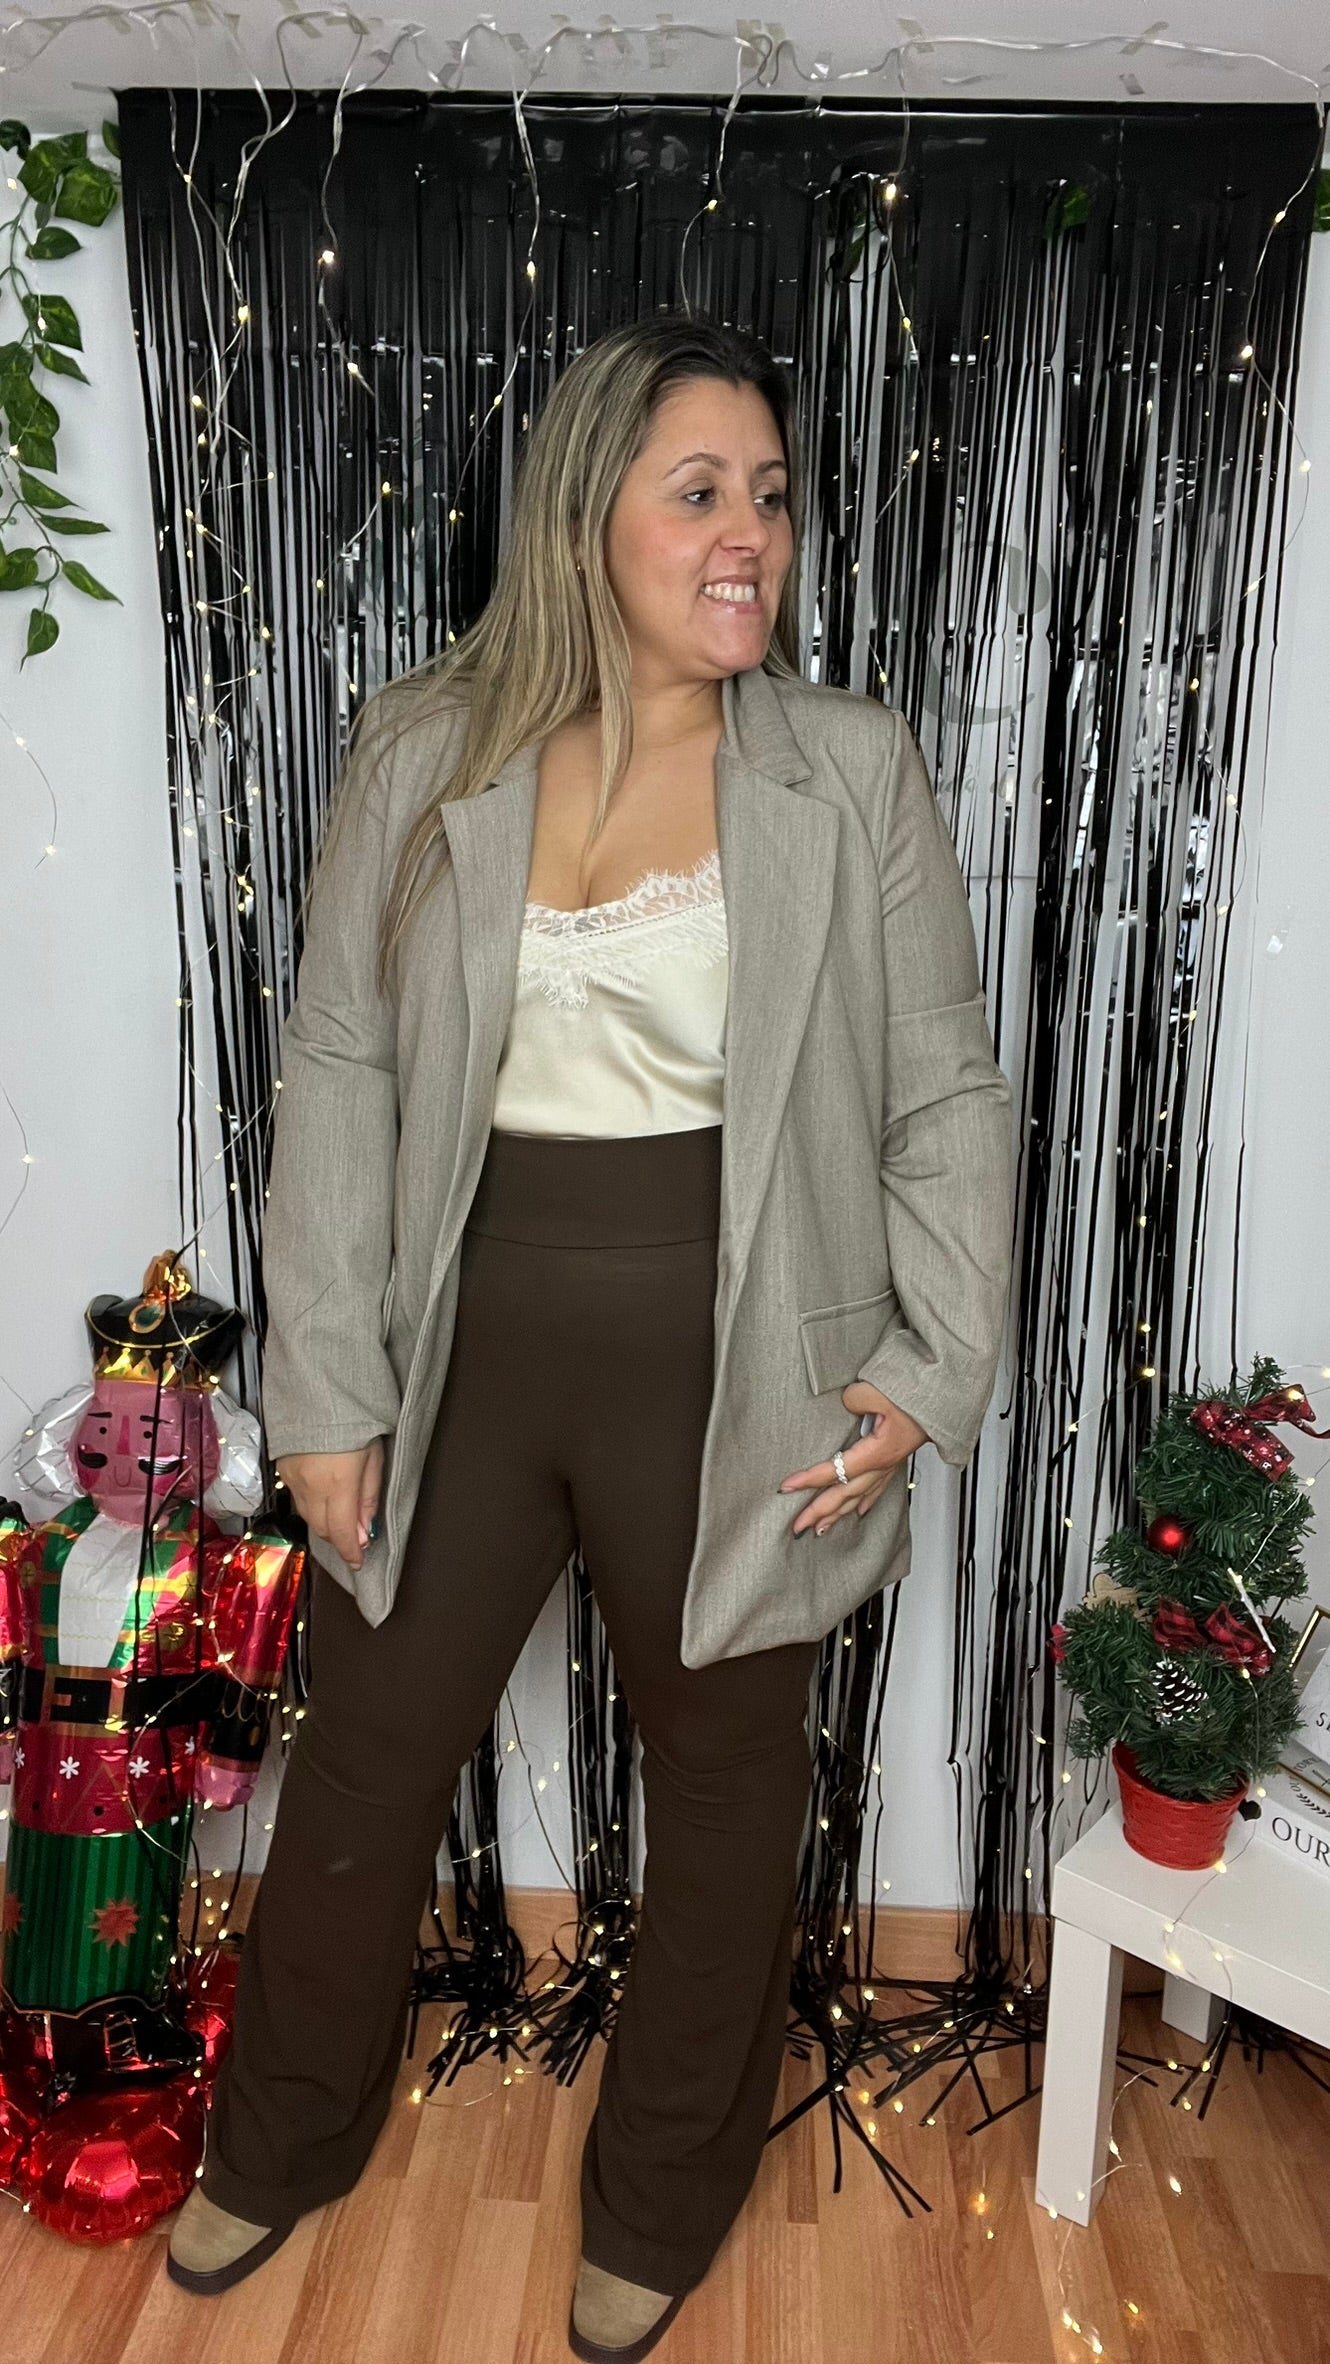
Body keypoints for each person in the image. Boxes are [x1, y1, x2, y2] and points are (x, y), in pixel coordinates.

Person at [165, 313, 1013, 2357]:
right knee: (368, 1754)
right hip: (464, 1338)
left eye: (770, 497)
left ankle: (657, 2198)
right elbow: (344, 1069)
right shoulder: (420, 750)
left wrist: (922, 1373)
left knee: (727, 1790)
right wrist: (326, 1387)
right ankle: (278, 2138)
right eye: (698, 491)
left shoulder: (847, 767)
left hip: (748, 1355)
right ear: (583, 518)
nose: (749, 537)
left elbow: (940, 1088)